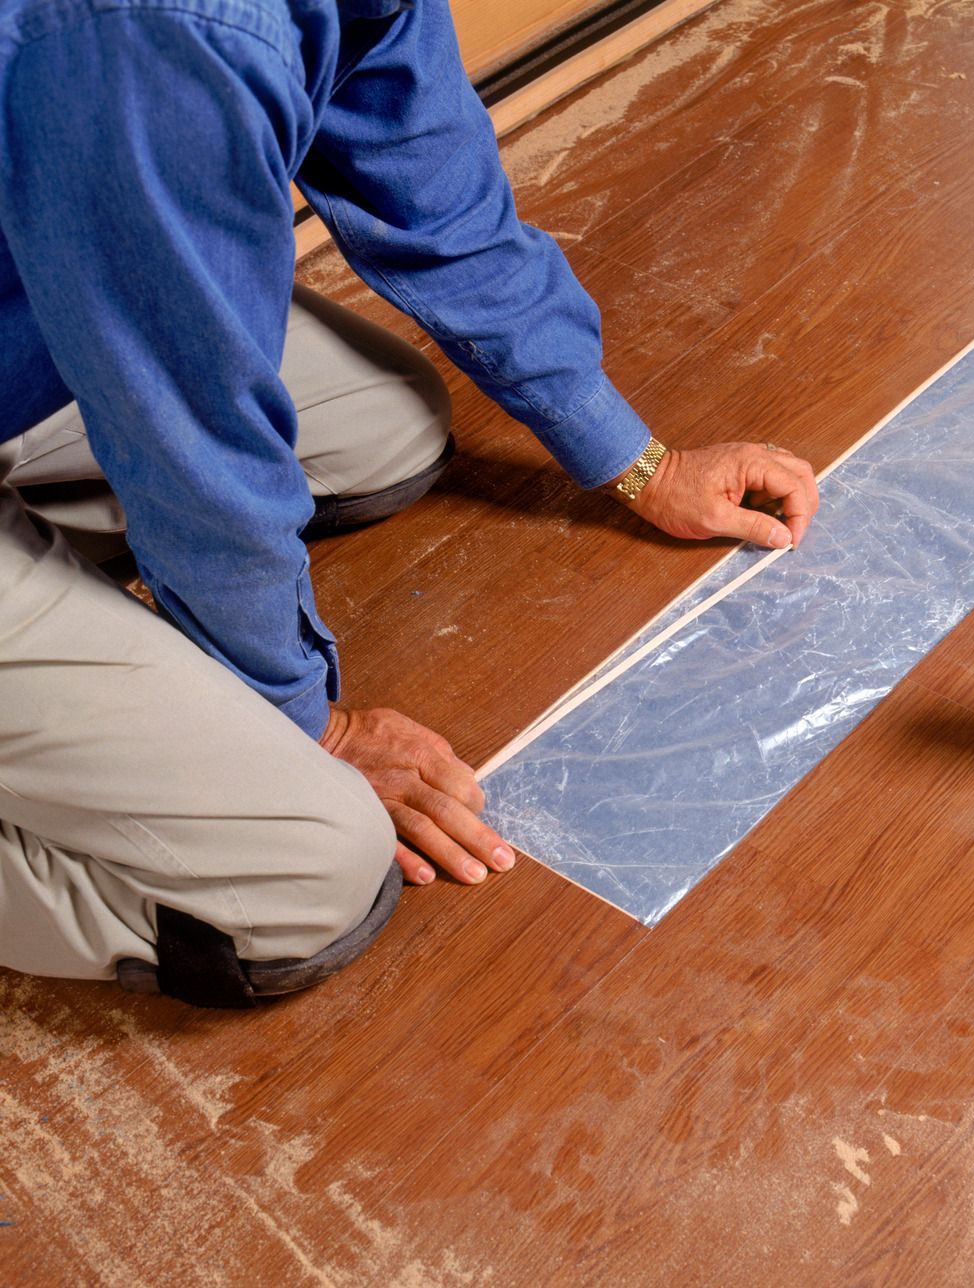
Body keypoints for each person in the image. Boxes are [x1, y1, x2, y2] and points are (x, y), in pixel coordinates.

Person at [0, 0, 820, 1007]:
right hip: (113, 116)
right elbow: (198, 447)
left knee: (385, 426)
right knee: (308, 874)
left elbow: (435, 187)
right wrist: (310, 728)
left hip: (24, 326)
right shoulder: (165, 32)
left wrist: (637, 459)